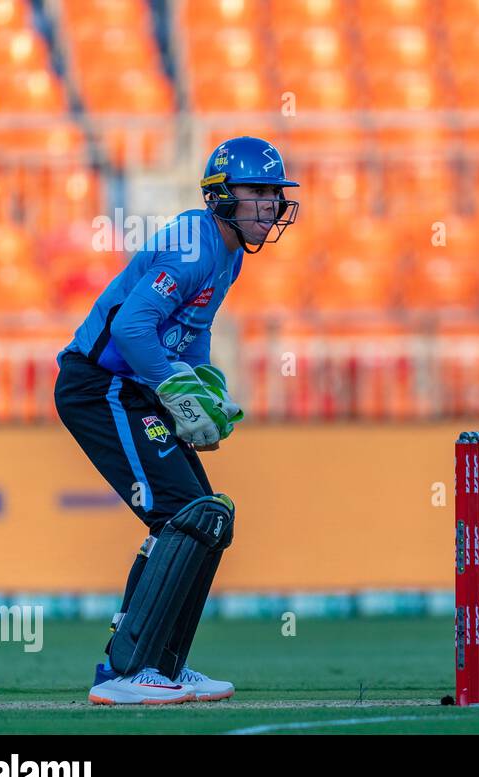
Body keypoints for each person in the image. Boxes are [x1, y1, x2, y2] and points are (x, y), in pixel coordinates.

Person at [54, 136, 299, 704]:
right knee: (181, 517)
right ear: (220, 196)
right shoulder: (192, 247)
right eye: (257, 191)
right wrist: (175, 389)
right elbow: (132, 330)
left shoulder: (229, 252)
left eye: (274, 193)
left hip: (136, 387)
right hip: (101, 385)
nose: (271, 204)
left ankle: (162, 664)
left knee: (207, 522)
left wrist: (203, 383)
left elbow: (194, 326)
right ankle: (125, 673)